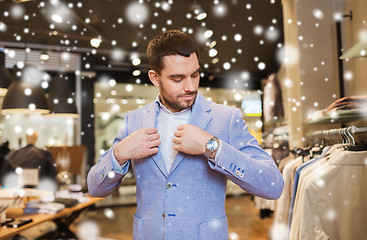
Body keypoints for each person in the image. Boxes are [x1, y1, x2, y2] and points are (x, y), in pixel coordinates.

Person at [87, 30, 284, 240]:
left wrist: (212, 147)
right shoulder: (133, 120)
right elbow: (95, 187)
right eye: (177, 78)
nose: (190, 87)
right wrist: (119, 153)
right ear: (155, 78)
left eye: (195, 75)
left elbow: (273, 185)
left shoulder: (225, 118)